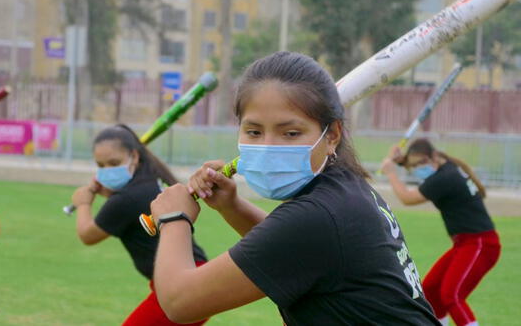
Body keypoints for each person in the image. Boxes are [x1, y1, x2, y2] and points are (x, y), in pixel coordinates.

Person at [148, 51, 439, 325]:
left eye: (290, 133)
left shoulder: (319, 216)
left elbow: (179, 302)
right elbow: (291, 252)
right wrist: (231, 206)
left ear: (332, 135)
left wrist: (174, 219)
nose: (268, 146)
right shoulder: (344, 191)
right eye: (254, 131)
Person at [70, 124, 209, 325]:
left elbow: (87, 235)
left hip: (182, 286)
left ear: (134, 157)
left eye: (114, 163)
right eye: (100, 166)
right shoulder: (151, 181)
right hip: (191, 277)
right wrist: (109, 194)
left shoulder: (126, 199)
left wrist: (83, 203)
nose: (107, 170)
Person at [381, 138, 500, 326]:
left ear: (434, 157)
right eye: (414, 166)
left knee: (452, 295)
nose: (419, 168)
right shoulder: (446, 167)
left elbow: (407, 198)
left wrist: (391, 173)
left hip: (481, 244)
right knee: (430, 292)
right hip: (464, 244)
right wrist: (400, 160)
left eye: (421, 163)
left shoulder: (444, 179)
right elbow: (418, 161)